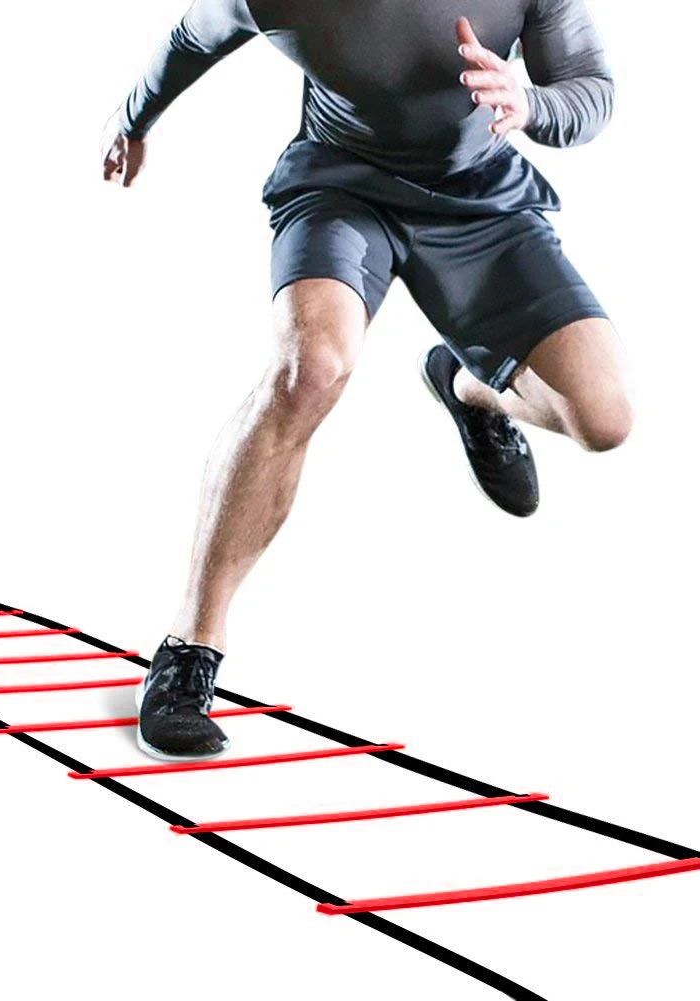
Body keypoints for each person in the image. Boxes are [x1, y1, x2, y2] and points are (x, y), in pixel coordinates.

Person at [100, 1, 632, 761]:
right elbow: (192, 39)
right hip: (341, 186)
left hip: (482, 197)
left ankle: (468, 387)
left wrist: (530, 103)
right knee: (308, 369)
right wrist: (133, 120)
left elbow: (590, 88)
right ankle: (189, 647)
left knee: (604, 419)